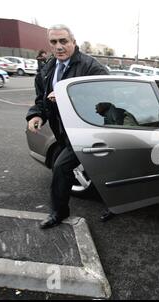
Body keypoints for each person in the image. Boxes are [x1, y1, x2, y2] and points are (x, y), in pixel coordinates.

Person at [26, 24, 109, 229]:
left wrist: (69, 96)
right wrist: (36, 115)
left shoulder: (91, 67)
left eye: (63, 41)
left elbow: (106, 98)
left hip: (86, 132)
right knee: (98, 168)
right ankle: (113, 203)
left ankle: (58, 213)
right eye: (54, 42)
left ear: (73, 42)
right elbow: (42, 100)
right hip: (63, 131)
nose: (59, 46)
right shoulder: (48, 67)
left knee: (61, 167)